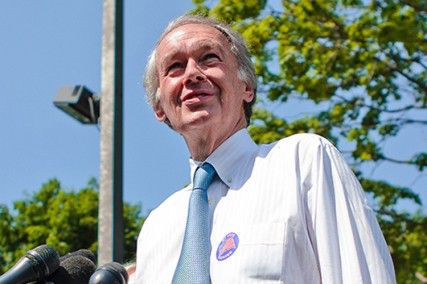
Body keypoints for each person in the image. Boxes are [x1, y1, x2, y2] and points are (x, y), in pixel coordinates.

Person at [135, 15, 396, 283]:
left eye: (209, 58)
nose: (192, 74)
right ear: (159, 107)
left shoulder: (303, 161)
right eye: (175, 67)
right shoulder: (157, 228)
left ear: (246, 86)